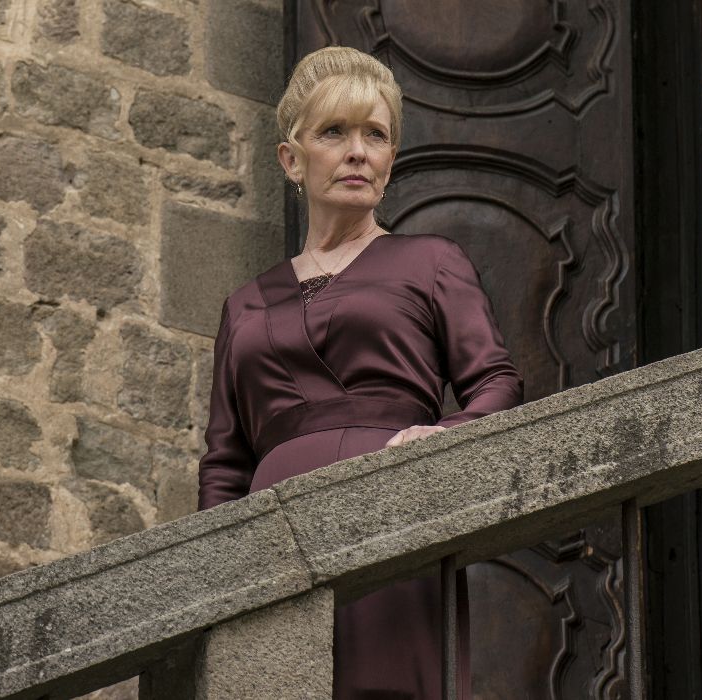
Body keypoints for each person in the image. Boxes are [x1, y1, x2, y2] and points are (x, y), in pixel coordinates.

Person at [197, 46, 523, 698]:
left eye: (376, 135)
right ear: (291, 159)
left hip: (391, 512)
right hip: (269, 542)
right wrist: (216, 578)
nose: (358, 152)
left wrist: (448, 432)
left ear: (392, 158)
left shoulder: (431, 262)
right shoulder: (244, 305)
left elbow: (496, 381)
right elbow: (224, 465)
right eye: (334, 132)